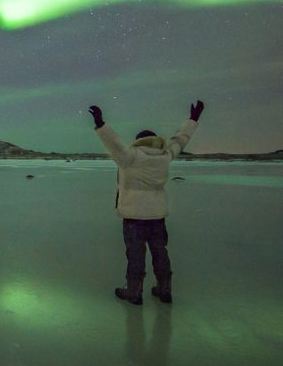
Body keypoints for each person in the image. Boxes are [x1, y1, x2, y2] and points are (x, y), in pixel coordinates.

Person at [88, 100, 205, 305]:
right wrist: (193, 119)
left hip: (134, 216)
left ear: (139, 141)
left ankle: (134, 291)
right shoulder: (165, 155)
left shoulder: (131, 157)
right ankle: (164, 288)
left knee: (135, 254)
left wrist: (100, 124)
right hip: (157, 215)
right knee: (160, 250)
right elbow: (181, 139)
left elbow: (114, 143)